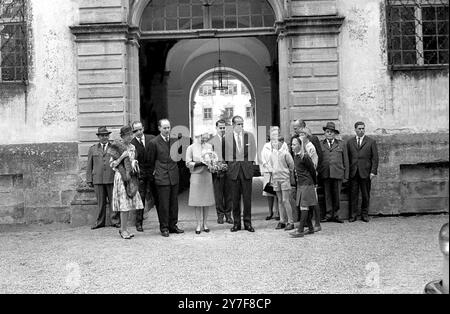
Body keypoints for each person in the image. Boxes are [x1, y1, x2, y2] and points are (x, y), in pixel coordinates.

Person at [148, 119, 184, 237]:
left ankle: (173, 225)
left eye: (168, 127)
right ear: (159, 128)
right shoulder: (154, 143)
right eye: (164, 128)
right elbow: (150, 161)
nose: (167, 130)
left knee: (174, 202)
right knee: (163, 204)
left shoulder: (175, 141)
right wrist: (154, 174)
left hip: (173, 175)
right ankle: (164, 227)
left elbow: (179, 159)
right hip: (161, 176)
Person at [223, 116, 257, 232]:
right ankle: (236, 223)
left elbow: (253, 152)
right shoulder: (226, 138)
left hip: (246, 170)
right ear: (233, 125)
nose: (241, 126)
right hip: (233, 171)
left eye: (242, 124)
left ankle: (247, 223)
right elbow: (224, 154)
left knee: (247, 199)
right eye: (238, 124)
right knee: (235, 199)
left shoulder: (249, 136)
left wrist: (248, 164)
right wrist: (231, 164)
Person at [110, 125, 144, 239]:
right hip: (120, 177)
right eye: (127, 135)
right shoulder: (117, 147)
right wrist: (121, 158)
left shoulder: (133, 147)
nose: (130, 137)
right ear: (122, 136)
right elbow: (112, 164)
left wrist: (134, 163)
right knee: (124, 205)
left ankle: (124, 229)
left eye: (131, 134)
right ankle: (123, 230)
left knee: (128, 205)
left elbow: (133, 161)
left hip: (130, 177)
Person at [86, 126, 120, 230]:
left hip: (111, 178)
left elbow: (118, 163)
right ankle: (100, 222)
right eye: (102, 135)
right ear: (98, 137)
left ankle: (115, 221)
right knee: (100, 202)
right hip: (98, 179)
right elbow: (89, 165)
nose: (104, 137)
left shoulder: (114, 148)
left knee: (113, 201)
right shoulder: (93, 149)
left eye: (106, 135)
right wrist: (89, 179)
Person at [347, 122, 379, 223]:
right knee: (353, 195)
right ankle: (353, 215)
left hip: (366, 172)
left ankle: (365, 215)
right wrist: (348, 172)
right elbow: (347, 158)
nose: (361, 130)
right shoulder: (350, 142)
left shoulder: (371, 142)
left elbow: (375, 158)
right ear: (355, 129)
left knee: (365, 195)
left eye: (363, 129)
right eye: (359, 129)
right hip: (353, 172)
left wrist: (373, 172)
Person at [318, 122, 349, 223]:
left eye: (331, 132)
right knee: (327, 195)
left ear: (335, 133)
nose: (329, 134)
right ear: (325, 134)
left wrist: (346, 175)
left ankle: (336, 215)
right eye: (327, 132)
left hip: (337, 173)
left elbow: (346, 160)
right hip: (325, 173)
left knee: (337, 195)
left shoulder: (341, 144)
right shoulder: (321, 144)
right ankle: (328, 214)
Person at [186, 132, 216, 234]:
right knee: (197, 202)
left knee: (206, 201)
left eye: (206, 138)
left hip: (207, 175)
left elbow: (213, 159)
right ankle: (198, 224)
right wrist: (199, 163)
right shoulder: (191, 148)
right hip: (196, 176)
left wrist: (212, 164)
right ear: (197, 136)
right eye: (202, 138)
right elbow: (188, 163)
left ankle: (205, 223)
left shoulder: (210, 146)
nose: (204, 140)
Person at [290, 135, 318, 238]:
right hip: (301, 184)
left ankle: (300, 230)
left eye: (294, 144)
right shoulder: (296, 156)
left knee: (304, 207)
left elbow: (312, 170)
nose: (292, 146)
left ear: (300, 145)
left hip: (307, 184)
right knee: (302, 206)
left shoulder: (305, 156)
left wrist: (315, 183)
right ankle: (310, 228)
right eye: (291, 144)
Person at [130, 121, 156, 232]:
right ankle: (139, 223)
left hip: (154, 173)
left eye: (140, 129)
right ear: (133, 132)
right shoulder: (131, 144)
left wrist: (156, 168)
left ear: (143, 128)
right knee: (141, 198)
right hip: (140, 175)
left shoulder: (152, 139)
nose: (138, 132)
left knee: (159, 197)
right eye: (135, 130)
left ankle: (164, 222)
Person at [268, 130, 295, 231]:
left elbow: (291, 165)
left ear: (281, 142)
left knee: (285, 200)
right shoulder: (272, 154)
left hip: (284, 179)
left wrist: (288, 174)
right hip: (276, 179)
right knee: (279, 200)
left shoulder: (286, 153)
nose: (274, 144)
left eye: (276, 142)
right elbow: (271, 165)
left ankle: (290, 221)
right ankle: (282, 220)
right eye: (273, 142)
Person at [209, 119, 233, 225]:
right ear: (216, 128)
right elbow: (210, 156)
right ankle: (220, 215)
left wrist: (228, 165)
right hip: (217, 171)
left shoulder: (230, 140)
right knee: (218, 195)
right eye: (220, 127)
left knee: (229, 194)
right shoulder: (212, 141)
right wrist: (217, 166)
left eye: (224, 128)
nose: (222, 129)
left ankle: (228, 215)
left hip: (228, 170)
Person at [298, 128, 321, 232]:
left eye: (302, 134)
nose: (300, 136)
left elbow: (313, 163)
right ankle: (310, 224)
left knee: (314, 200)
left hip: (310, 176)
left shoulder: (310, 146)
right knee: (310, 201)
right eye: (300, 134)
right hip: (305, 176)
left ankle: (317, 223)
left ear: (307, 135)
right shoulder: (302, 146)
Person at [261, 128, 282, 221]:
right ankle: (270, 211)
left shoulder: (282, 144)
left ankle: (277, 212)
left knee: (278, 192)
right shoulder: (266, 146)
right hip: (268, 172)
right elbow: (263, 158)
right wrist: (268, 168)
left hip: (278, 171)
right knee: (269, 192)